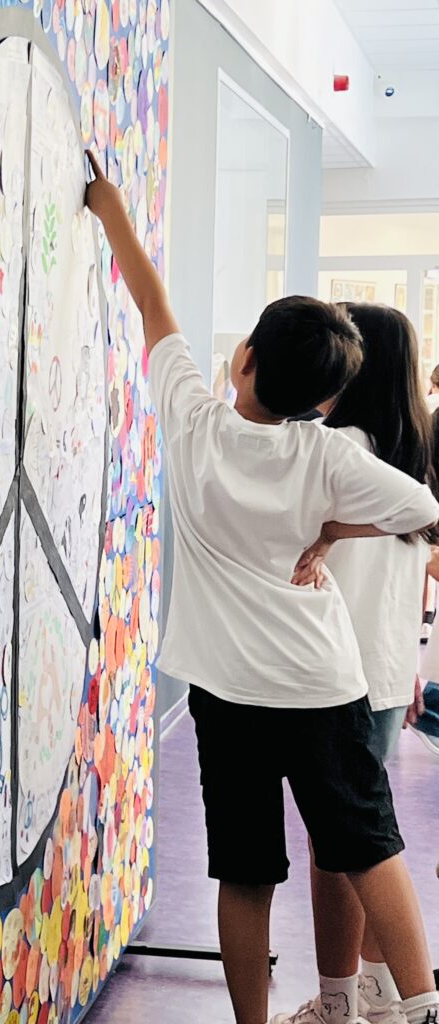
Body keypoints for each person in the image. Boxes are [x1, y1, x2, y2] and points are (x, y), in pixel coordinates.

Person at [84, 150, 439, 1024]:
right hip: (323, 684)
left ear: (242, 358)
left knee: (244, 872)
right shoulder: (325, 455)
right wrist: (333, 530)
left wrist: (110, 207)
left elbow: (152, 304)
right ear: (321, 401)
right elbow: (423, 506)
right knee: (368, 845)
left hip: (229, 691)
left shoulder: (193, 425)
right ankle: (423, 1005)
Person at [278, 304, 439, 1024]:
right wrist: (408, 667)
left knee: (339, 848)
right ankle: (374, 991)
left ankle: (344, 1001)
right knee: (368, 837)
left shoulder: (337, 448)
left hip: (335, 675)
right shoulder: (413, 452)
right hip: (385, 667)